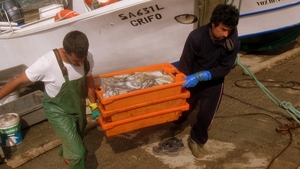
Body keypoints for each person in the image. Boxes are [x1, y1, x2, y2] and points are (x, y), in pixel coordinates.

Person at [0, 30, 101, 168]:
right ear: (65, 51)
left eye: (82, 60)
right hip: (57, 110)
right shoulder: (46, 63)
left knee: (77, 136)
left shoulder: (87, 57)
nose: (80, 63)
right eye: (76, 61)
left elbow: (89, 80)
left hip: (77, 105)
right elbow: (18, 81)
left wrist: (93, 105)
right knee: (78, 152)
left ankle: (67, 155)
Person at [171, 4, 240, 158]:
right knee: (185, 106)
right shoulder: (196, 37)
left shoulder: (233, 40)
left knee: (207, 114)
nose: (226, 34)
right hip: (192, 76)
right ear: (213, 23)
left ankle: (197, 140)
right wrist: (186, 80)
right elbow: (185, 64)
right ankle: (177, 122)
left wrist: (205, 75)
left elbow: (225, 67)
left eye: (229, 30)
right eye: (223, 29)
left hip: (214, 78)